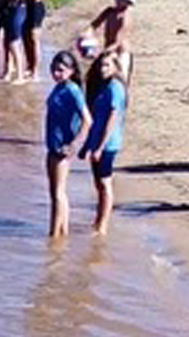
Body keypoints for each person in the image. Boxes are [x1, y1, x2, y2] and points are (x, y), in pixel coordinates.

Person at [79, 50, 128, 236]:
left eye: (107, 65)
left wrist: (99, 147)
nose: (102, 69)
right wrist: (87, 145)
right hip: (96, 141)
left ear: (115, 67)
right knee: (98, 184)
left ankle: (103, 226)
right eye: (100, 65)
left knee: (105, 184)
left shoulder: (115, 88)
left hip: (107, 144)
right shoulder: (102, 86)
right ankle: (98, 221)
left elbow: (111, 120)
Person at [43, 50, 86, 237]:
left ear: (71, 71)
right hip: (52, 146)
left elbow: (88, 120)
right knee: (56, 193)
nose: (55, 74)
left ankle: (53, 234)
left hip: (62, 149)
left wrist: (75, 144)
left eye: (60, 70)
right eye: (53, 69)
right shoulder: (59, 87)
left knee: (58, 193)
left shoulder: (72, 90)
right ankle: (63, 231)